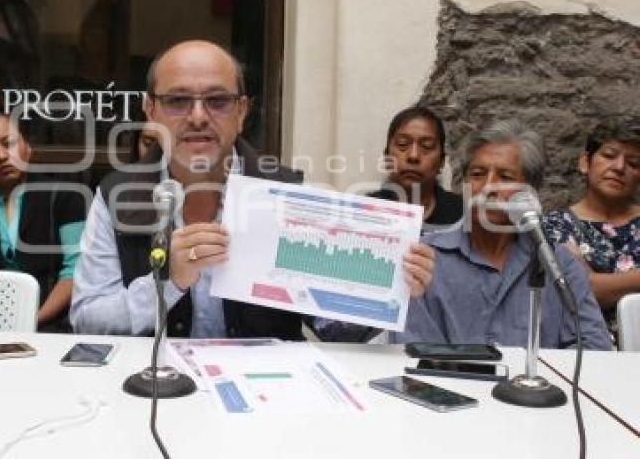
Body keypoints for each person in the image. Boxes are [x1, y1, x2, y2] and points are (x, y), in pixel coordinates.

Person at [70, 39, 435, 339]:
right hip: (155, 389)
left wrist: (392, 290)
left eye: (217, 101)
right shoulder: (116, 195)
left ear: (242, 112)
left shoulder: (284, 194)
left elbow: (334, 328)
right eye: (178, 101)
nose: (198, 117)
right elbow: (87, 319)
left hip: (261, 393)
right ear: (151, 111)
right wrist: (167, 283)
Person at [391, 119, 611, 350]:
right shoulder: (422, 258)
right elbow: (413, 351)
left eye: (505, 177)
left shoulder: (557, 264)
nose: (488, 188)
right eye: (478, 174)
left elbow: (594, 346)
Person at [0, 106, 87, 332]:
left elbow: (75, 270)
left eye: (8, 143)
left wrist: (31, 321)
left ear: (28, 147)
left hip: (52, 326)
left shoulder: (66, 196)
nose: (1, 156)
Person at [543, 119, 640, 331]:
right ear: (585, 163)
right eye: (609, 156)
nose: (619, 167)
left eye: (633, 163)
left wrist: (596, 279)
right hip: (585, 344)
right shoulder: (557, 225)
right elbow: (581, 291)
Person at [369, 106, 463, 233]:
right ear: (387, 157)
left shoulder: (463, 216)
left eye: (427, 146)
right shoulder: (365, 212)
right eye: (403, 144)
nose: (413, 156)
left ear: (441, 162)